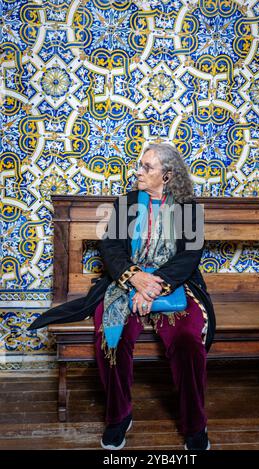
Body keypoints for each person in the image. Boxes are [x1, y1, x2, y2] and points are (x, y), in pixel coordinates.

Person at [28, 143, 216, 451]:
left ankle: (195, 424)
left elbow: (189, 256)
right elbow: (111, 248)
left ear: (167, 175)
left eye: (146, 168)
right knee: (111, 338)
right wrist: (135, 278)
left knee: (186, 341)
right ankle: (118, 416)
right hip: (127, 283)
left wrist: (155, 285)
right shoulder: (127, 203)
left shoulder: (189, 208)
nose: (138, 172)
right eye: (140, 165)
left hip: (174, 286)